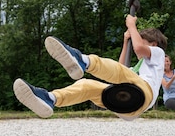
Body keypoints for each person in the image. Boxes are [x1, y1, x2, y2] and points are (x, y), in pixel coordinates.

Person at [13, 14, 166, 120]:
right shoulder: (139, 69)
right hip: (129, 108)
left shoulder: (158, 53)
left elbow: (138, 49)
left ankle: (82, 61)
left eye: (141, 40)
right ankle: (51, 99)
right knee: (86, 86)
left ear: (153, 44)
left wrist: (132, 26)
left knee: (119, 73)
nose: (136, 43)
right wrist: (126, 41)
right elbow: (120, 68)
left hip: (144, 95)